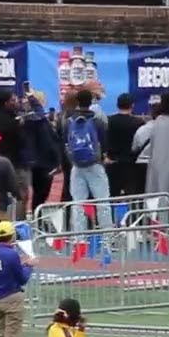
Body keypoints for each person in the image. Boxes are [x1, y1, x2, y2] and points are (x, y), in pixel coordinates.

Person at [66, 89, 112, 233]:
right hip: (95, 165)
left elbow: (65, 142)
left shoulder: (69, 121)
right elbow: (104, 143)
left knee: (78, 203)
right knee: (102, 201)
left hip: (76, 166)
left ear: (77, 101)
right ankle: (107, 236)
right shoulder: (97, 122)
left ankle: (79, 237)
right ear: (91, 101)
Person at [106, 93, 146, 197]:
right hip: (132, 164)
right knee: (132, 195)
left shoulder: (109, 121)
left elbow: (105, 140)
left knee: (112, 194)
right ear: (132, 105)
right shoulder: (139, 123)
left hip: (113, 162)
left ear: (117, 105)